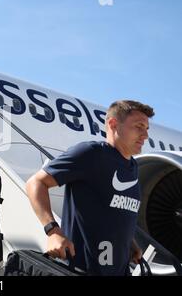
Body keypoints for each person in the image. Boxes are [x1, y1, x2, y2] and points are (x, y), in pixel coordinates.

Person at [26, 100, 155, 276]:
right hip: (81, 269)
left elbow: (115, 210)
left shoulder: (132, 167)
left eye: (147, 128)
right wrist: (53, 231)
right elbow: (36, 182)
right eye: (139, 126)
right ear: (113, 124)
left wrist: (129, 244)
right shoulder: (91, 154)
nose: (145, 135)